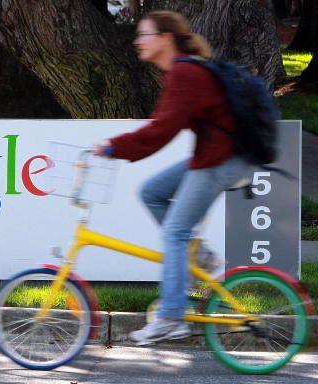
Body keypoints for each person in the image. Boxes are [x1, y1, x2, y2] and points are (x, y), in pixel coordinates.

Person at [94, 10, 251, 345]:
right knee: (152, 191)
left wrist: (112, 147)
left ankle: (170, 317)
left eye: (144, 34)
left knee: (176, 231)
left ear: (165, 38)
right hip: (213, 156)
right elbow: (165, 126)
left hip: (223, 160)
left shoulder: (185, 73)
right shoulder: (180, 71)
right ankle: (201, 257)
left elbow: (162, 130)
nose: (137, 41)